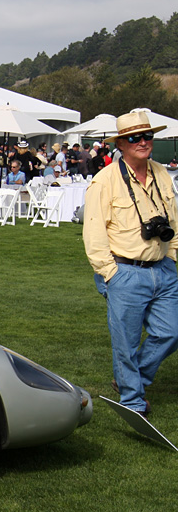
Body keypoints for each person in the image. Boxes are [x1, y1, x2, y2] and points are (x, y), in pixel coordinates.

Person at [83, 110, 178, 416]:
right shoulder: (105, 180)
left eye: (147, 136)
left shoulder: (161, 172)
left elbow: (173, 218)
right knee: (126, 342)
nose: (142, 142)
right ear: (120, 144)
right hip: (124, 270)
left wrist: (173, 256)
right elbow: (94, 231)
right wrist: (110, 273)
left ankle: (132, 377)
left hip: (162, 268)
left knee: (172, 332)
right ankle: (133, 401)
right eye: (134, 138)